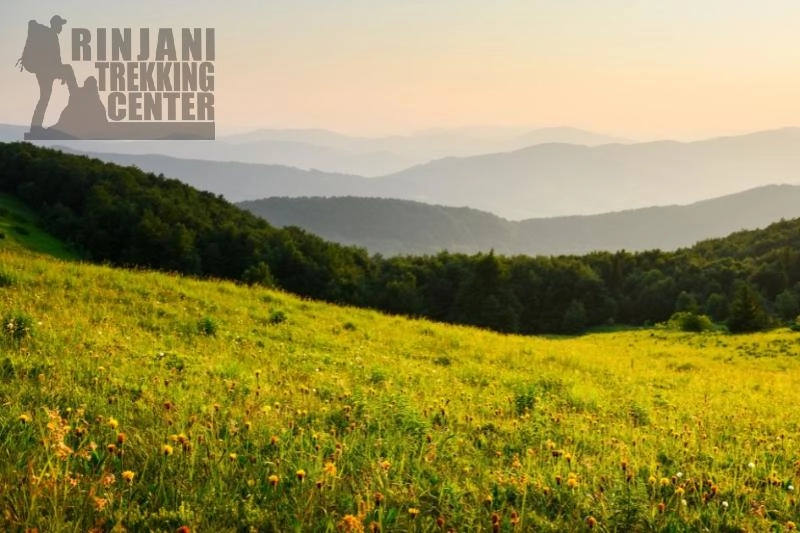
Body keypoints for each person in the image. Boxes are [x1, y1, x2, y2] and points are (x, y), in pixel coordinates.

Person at [27, 15, 77, 133]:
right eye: (60, 25)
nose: (61, 28)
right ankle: (77, 100)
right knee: (68, 69)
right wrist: (62, 73)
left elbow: (55, 60)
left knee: (44, 97)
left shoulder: (50, 36)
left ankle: (35, 127)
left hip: (44, 71)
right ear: (55, 25)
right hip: (47, 71)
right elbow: (54, 60)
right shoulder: (51, 37)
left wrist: (61, 73)